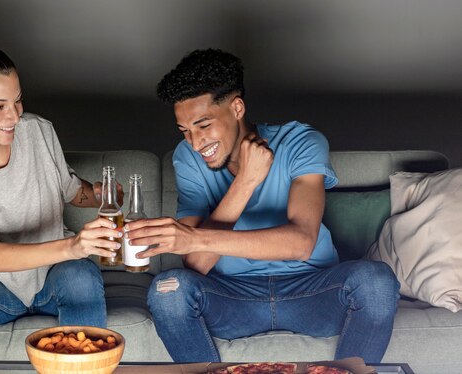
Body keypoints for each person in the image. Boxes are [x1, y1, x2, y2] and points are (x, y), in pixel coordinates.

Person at [125, 49, 400, 363]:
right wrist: (246, 181)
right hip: (231, 295)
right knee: (167, 290)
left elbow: (301, 243)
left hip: (311, 290)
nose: (195, 143)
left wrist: (197, 237)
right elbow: (197, 263)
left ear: (237, 107)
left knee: (376, 281)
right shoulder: (187, 158)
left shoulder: (300, 141)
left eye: (203, 126)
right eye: (185, 131)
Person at [0, 27, 122, 374]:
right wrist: (73, 245)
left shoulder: (38, 131)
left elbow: (72, 191)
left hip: (56, 276)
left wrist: (105, 195)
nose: (14, 116)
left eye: (17, 100)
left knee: (80, 277)